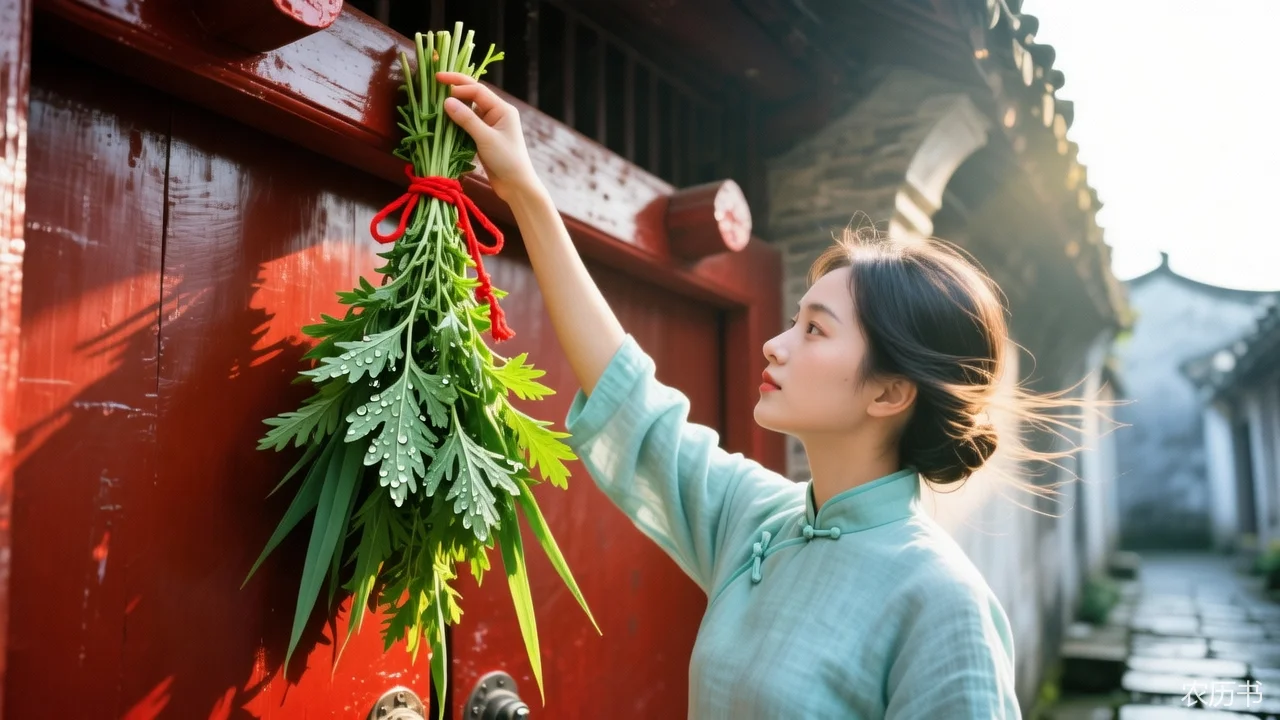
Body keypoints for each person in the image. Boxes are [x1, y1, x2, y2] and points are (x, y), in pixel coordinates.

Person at [438, 70, 1057, 719]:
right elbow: (632, 400)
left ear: (891, 391)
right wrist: (525, 191)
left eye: (815, 330)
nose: (775, 344)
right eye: (796, 319)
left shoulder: (941, 601)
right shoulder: (760, 518)